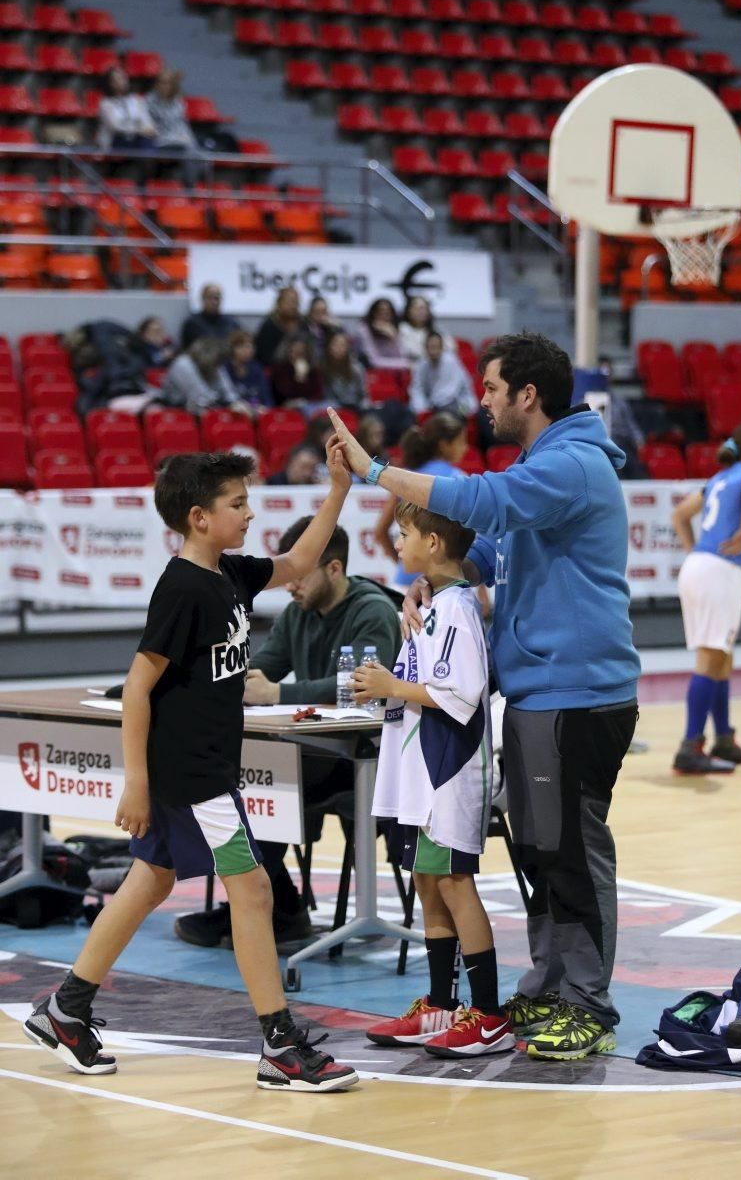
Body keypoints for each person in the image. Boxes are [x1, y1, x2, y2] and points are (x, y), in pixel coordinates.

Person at [326, 329, 640, 1061]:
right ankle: (553, 982)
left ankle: (588, 1003)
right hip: (541, 691)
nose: (484, 401)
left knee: (571, 851)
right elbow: (489, 549)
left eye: (493, 389)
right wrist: (434, 577)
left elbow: (482, 499)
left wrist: (377, 471)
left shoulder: (573, 465)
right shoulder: (546, 461)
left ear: (528, 395)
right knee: (537, 849)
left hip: (578, 692)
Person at [23, 447, 358, 1092]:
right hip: (192, 775)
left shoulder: (228, 573)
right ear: (199, 517)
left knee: (148, 881)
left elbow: (295, 563)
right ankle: (280, 1046)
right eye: (238, 504)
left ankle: (66, 1009)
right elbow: (138, 686)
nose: (249, 512)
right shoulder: (181, 587)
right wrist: (137, 783)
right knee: (254, 890)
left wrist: (337, 491)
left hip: (202, 769)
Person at [175, 519, 403, 948]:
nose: (290, 586)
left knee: (267, 782)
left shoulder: (371, 611)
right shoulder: (297, 613)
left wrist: (277, 691)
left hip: (361, 758)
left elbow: (360, 688)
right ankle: (272, 905)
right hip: (312, 752)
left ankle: (271, 908)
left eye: (299, 575)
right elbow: (258, 670)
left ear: (334, 569)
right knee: (240, 778)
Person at [359, 501, 515, 1057]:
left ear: (433, 542)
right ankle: (440, 1005)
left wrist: (390, 685)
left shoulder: (458, 610)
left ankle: (490, 1015)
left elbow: (463, 692)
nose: (395, 543)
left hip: (450, 766)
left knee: (454, 882)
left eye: (404, 534)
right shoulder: (433, 601)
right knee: (427, 881)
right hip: (419, 767)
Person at [671, 419, 741, 776]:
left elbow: (680, 515)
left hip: (700, 565)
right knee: (711, 657)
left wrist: (693, 551)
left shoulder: (717, 478)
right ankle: (690, 747)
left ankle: (724, 738)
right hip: (721, 570)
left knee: (721, 657)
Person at [374, 413, 467, 588]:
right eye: (461, 441)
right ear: (444, 445)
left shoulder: (405, 477)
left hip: (405, 584)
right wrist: (482, 590)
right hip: (445, 583)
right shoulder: (458, 479)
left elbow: (380, 532)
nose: (466, 448)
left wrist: (403, 563)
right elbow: (466, 540)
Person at [163, 337, 250, 416]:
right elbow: (201, 397)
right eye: (217, 360)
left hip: (204, 410)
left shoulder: (216, 365)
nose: (219, 366)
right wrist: (226, 405)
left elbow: (229, 393)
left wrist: (236, 404)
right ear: (208, 356)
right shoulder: (183, 363)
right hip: (177, 413)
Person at [410, 331, 479, 419]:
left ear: (442, 347)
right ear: (425, 348)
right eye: (430, 347)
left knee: (453, 412)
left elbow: (449, 393)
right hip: (435, 405)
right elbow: (417, 389)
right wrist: (422, 408)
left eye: (436, 347)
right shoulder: (421, 365)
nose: (433, 351)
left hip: (460, 404)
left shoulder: (451, 362)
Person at [97, 66, 157, 152]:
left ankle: (149, 162)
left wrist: (150, 128)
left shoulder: (136, 100)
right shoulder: (106, 104)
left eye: (124, 78)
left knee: (147, 141)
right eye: (117, 79)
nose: (122, 81)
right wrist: (139, 130)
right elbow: (115, 127)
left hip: (136, 140)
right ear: (110, 83)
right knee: (130, 139)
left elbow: (146, 120)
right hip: (115, 141)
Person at [353, 297, 409, 373]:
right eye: (380, 312)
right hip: (371, 374)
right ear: (373, 314)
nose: (383, 316)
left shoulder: (395, 329)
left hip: (394, 374)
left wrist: (394, 338)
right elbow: (373, 361)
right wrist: (404, 364)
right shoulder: (363, 330)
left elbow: (403, 356)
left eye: (387, 313)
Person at [254, 286, 306, 367]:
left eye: (295, 302)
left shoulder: (303, 325)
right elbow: (263, 357)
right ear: (279, 304)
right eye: (289, 302)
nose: (293, 306)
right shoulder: (269, 327)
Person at [269, 333, 324, 409]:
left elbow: (318, 394)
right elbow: (282, 394)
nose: (299, 353)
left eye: (302, 351)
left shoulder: (313, 369)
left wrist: (303, 378)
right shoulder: (280, 368)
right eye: (296, 351)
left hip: (309, 405)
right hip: (286, 406)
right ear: (289, 350)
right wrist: (298, 378)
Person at [399, 295, 455, 368]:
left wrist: (433, 353)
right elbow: (411, 351)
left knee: (450, 359)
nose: (421, 311)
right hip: (414, 366)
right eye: (417, 308)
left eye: (424, 308)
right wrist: (435, 351)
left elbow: (451, 347)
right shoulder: (403, 328)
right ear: (408, 311)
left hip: (436, 365)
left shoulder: (436, 328)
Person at [225, 330, 275, 411]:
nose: (246, 350)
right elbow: (226, 398)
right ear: (232, 349)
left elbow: (266, 397)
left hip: (257, 412)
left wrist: (261, 408)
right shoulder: (225, 369)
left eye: (249, 346)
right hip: (234, 413)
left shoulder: (257, 368)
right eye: (241, 346)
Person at [181, 283, 239, 350]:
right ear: (202, 299)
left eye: (216, 298)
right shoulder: (191, 324)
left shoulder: (231, 322)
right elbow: (186, 349)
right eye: (209, 298)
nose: (213, 302)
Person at [320, 330, 367, 411]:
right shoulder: (322, 368)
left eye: (342, 345)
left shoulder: (357, 368)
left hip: (356, 407)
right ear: (329, 346)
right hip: (333, 408)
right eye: (335, 344)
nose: (339, 348)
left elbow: (364, 394)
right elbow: (326, 396)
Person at [305, 295, 342, 366]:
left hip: (328, 364)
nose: (320, 315)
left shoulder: (330, 329)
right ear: (311, 312)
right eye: (317, 311)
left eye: (323, 312)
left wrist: (337, 326)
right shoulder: (304, 328)